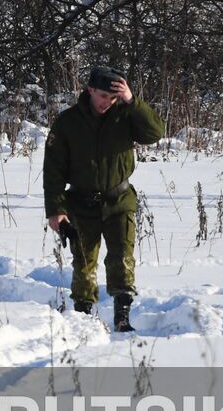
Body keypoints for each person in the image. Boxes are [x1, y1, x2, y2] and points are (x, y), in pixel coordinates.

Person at [43, 66, 165, 332]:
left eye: (112, 98)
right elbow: (53, 171)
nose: (106, 103)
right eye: (102, 96)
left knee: (122, 257)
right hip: (81, 203)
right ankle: (84, 317)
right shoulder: (68, 122)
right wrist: (56, 210)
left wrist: (133, 102)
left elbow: (154, 133)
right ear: (90, 90)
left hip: (119, 200)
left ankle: (122, 317)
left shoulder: (126, 115)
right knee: (84, 262)